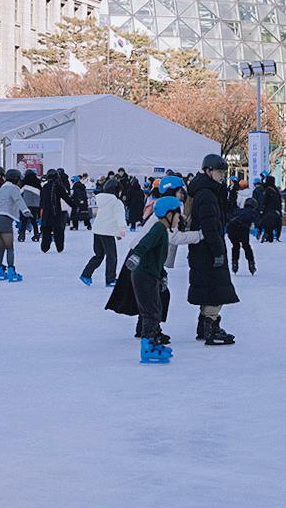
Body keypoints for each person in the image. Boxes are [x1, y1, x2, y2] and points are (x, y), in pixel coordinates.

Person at [127, 196, 185, 364]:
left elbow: (157, 257)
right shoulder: (158, 228)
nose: (179, 218)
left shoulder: (163, 231)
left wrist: (163, 274)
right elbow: (144, 244)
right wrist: (136, 256)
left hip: (151, 274)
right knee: (150, 312)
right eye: (177, 214)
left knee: (155, 309)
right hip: (143, 274)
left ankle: (152, 343)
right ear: (168, 214)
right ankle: (147, 347)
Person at [187, 154, 237, 345]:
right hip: (208, 249)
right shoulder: (207, 195)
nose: (222, 175)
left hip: (202, 249)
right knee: (216, 289)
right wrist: (218, 252)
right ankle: (211, 326)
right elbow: (209, 227)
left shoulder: (206, 191)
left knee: (209, 287)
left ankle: (204, 325)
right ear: (208, 171)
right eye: (219, 172)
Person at [82, 179, 127, 287]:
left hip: (97, 230)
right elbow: (120, 218)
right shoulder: (116, 202)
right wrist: (121, 231)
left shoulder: (101, 200)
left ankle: (86, 274)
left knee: (99, 255)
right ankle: (110, 279)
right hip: (107, 232)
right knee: (112, 256)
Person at [0, 168, 32, 282]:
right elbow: (18, 200)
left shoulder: (1, 188)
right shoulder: (13, 188)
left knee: (1, 246)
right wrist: (26, 211)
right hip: (4, 218)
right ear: (16, 179)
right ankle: (11, 272)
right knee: (9, 247)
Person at [39, 170, 74, 253]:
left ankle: (45, 247)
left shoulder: (45, 187)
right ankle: (59, 247)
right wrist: (74, 205)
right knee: (58, 230)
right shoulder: (59, 186)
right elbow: (66, 198)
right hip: (57, 212)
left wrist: (40, 210)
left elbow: (41, 200)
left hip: (46, 213)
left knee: (46, 230)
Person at [227, 197, 259, 275]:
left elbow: (229, 215)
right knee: (246, 246)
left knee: (235, 245)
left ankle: (234, 263)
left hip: (231, 228)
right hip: (243, 228)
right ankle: (251, 263)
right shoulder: (253, 212)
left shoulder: (238, 210)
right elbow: (256, 222)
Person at [19, 169, 42, 243]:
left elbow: (20, 193)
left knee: (24, 220)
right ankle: (36, 235)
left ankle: (22, 236)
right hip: (35, 204)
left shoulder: (24, 183)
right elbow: (41, 193)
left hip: (26, 204)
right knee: (34, 220)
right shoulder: (37, 182)